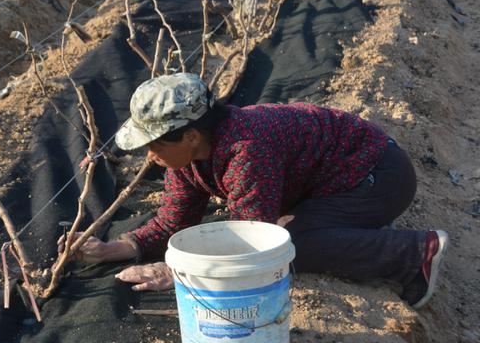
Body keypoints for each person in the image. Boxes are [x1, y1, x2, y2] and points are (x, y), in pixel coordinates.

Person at [64, 73, 448, 309]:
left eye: (155, 145)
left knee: (291, 245)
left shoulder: (247, 150)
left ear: (191, 135)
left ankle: (413, 254)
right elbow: (173, 220)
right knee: (286, 232)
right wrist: (118, 247)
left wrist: (179, 271)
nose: (149, 156)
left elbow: (251, 241)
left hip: (378, 177)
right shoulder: (187, 157)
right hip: (339, 183)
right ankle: (354, 230)